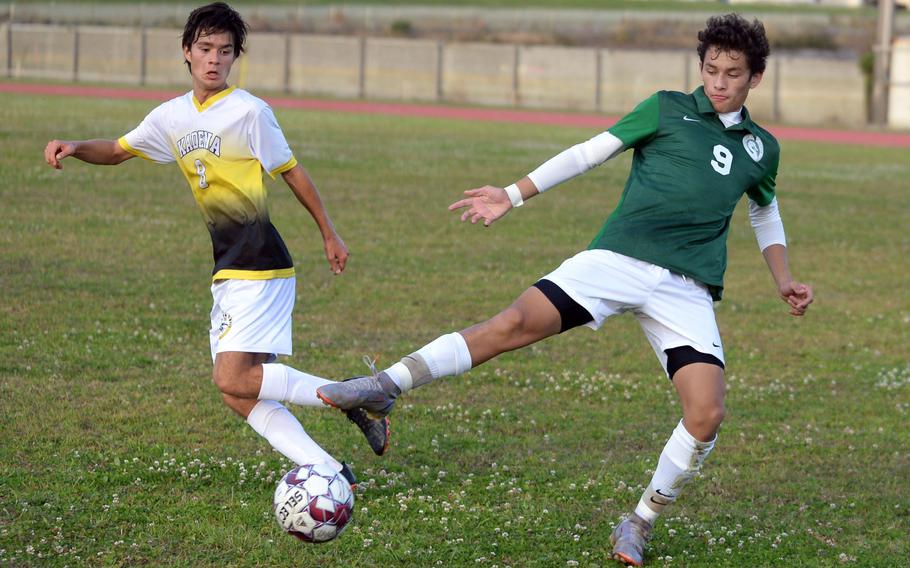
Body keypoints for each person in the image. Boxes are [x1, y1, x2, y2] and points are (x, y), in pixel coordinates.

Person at [316, 13, 813, 566]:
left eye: (733, 74)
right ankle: (385, 386)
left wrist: (783, 278)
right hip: (616, 259)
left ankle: (640, 520)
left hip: (686, 289)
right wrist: (512, 193)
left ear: (756, 79)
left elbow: (765, 214)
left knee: (707, 413)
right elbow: (588, 152)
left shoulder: (761, 148)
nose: (719, 83)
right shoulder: (667, 107)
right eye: (711, 70)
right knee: (511, 324)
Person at [43, 2, 389, 488]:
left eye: (225, 52)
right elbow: (120, 151)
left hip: (260, 264)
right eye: (205, 48)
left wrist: (328, 232)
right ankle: (330, 470)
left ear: (233, 59)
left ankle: (360, 394)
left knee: (231, 377)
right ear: (187, 52)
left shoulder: (250, 112)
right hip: (228, 269)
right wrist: (76, 147)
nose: (214, 59)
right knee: (240, 393)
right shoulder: (171, 116)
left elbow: (292, 173)